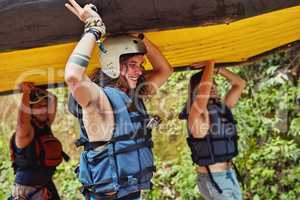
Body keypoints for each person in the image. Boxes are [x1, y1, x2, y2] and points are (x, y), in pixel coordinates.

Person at [64, 0, 173, 199]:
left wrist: (139, 39)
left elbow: (165, 70)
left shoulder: (134, 95)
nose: (140, 71)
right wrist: (94, 28)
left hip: (132, 194)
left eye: (140, 64)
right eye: (133, 64)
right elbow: (73, 76)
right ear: (113, 63)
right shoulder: (100, 100)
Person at [179, 61, 246, 200]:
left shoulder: (222, 107)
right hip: (213, 179)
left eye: (214, 84)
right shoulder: (195, 115)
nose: (213, 87)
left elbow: (240, 83)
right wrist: (210, 62)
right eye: (209, 85)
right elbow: (202, 95)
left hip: (229, 174)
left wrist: (217, 69)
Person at [9, 82, 65, 200]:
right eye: (39, 106)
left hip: (45, 184)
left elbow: (53, 99)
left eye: (45, 105)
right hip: (28, 190)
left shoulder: (44, 125)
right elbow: (22, 121)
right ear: (30, 111)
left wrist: (38, 92)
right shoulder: (24, 133)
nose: (44, 109)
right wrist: (26, 93)